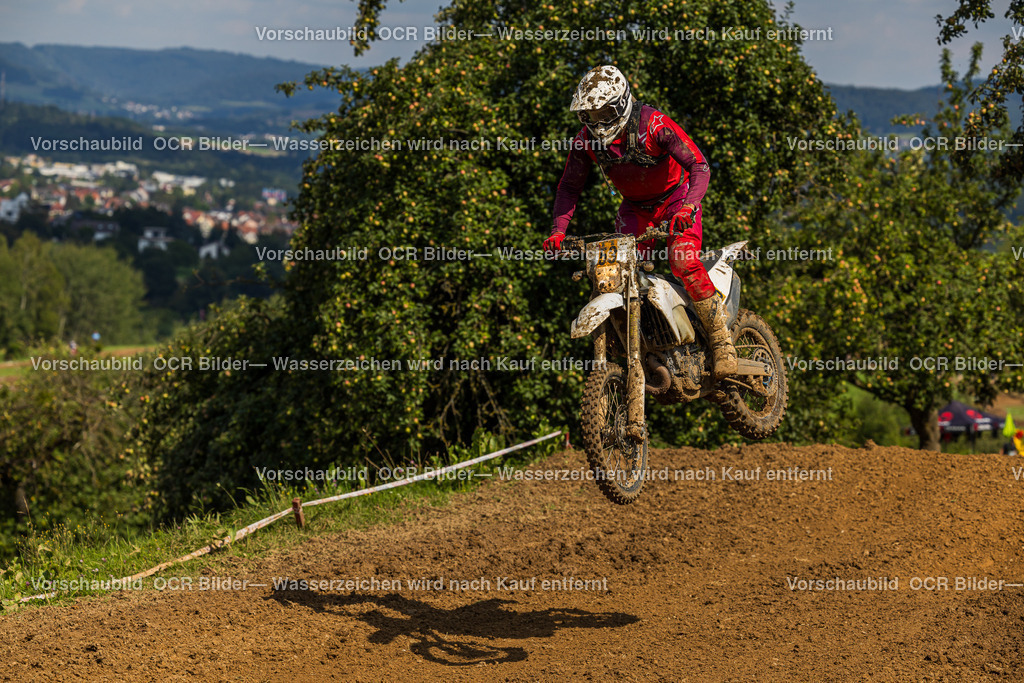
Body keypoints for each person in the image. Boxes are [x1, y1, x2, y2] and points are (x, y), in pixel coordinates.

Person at [543, 65, 737, 379]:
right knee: (613, 276)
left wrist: (687, 208)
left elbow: (699, 165)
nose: (596, 122)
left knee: (683, 262)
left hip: (677, 199)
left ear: (621, 104)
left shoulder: (655, 125)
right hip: (634, 211)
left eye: (603, 113)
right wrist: (558, 231)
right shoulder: (585, 141)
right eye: (588, 116)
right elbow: (568, 186)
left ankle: (720, 341)